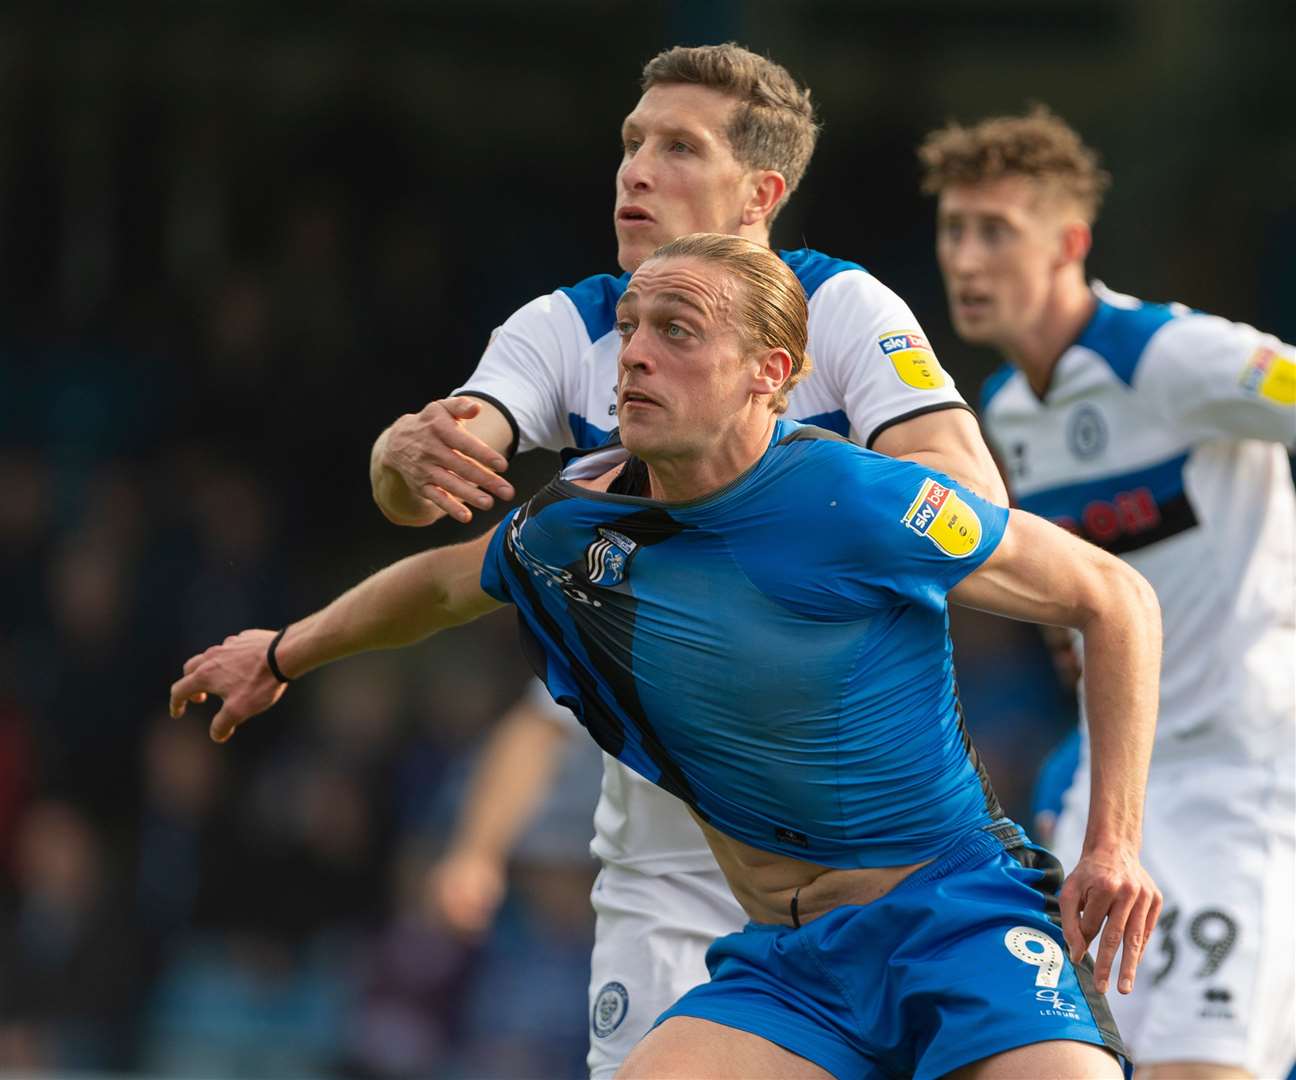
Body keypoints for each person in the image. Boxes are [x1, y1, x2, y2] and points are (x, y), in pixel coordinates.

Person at [173, 234, 1162, 1079]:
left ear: (770, 375)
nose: (634, 356)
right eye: (633, 327)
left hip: (963, 922)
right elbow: (438, 585)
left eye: (677, 332)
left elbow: (1114, 598)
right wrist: (284, 651)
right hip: (796, 968)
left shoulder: (852, 500)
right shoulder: (572, 530)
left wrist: (1114, 843)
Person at [368, 42, 1010, 1075]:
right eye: (631, 143)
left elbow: (968, 491)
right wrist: (397, 457)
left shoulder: (839, 307)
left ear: (760, 192)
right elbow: (443, 468)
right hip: (665, 864)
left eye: (676, 146)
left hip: (866, 861)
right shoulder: (563, 325)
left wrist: (777, 501)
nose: (636, 169)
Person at [921, 106, 1296, 1080]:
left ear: (1070, 243)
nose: (966, 258)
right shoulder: (1003, 413)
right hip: (1115, 792)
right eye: (954, 229)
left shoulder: (1170, 358)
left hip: (1243, 779)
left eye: (996, 230)